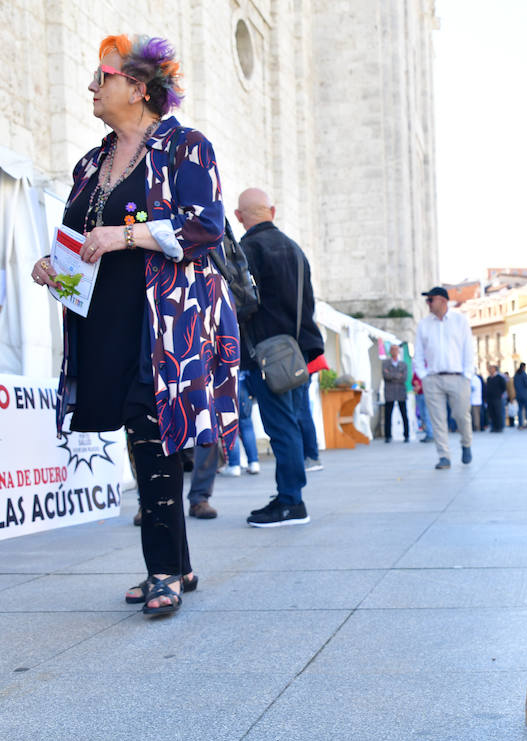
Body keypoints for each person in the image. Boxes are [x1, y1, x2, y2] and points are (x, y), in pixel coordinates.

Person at [33, 34, 237, 616]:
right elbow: (78, 235)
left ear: (138, 88)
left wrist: (122, 235)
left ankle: (163, 571)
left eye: (102, 78)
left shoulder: (185, 147)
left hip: (162, 321)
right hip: (102, 319)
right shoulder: (90, 162)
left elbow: (204, 227)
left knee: (152, 433)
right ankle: (183, 562)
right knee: (140, 432)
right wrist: (54, 264)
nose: (92, 88)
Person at [233, 187, 324, 527]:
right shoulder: (295, 249)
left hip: (269, 354)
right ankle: (289, 493)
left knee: (281, 426)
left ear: (240, 217)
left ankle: (291, 502)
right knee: (294, 422)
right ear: (273, 210)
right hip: (299, 353)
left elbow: (243, 301)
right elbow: (309, 303)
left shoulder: (248, 248)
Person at [414, 286, 475, 469]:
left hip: (457, 377)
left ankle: (466, 443)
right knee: (437, 419)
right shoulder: (424, 324)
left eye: (430, 300)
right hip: (433, 378)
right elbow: (418, 353)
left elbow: (468, 349)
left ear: (442, 300)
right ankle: (444, 456)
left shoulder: (460, 321)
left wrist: (467, 374)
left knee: (461, 415)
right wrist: (423, 376)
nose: (428, 304)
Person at [221, 370, 261, 475]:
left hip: (225, 384)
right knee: (247, 424)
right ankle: (254, 462)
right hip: (242, 382)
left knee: (230, 426)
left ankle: (234, 464)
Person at [381, 344, 409, 442]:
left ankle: (406, 435)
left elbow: (404, 377)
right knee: (388, 415)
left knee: (404, 414)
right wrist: (398, 375)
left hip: (400, 391)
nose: (394, 351)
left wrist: (391, 375)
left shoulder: (403, 364)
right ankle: (388, 436)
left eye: (396, 349)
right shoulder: (385, 363)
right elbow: (385, 376)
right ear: (390, 351)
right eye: (392, 349)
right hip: (389, 392)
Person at [484, 364, 508, 433]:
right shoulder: (489, 378)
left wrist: (500, 394)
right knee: (492, 413)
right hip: (490, 398)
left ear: (495, 369)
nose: (490, 370)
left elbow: (504, 387)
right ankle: (493, 427)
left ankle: (499, 427)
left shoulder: (499, 378)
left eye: (492, 368)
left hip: (497, 398)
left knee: (498, 413)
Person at [513, 362, 527, 429]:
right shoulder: (524, 374)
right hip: (525, 394)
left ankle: (520, 424)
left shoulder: (516, 375)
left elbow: (514, 385)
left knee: (520, 409)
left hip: (518, 395)